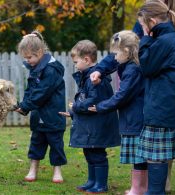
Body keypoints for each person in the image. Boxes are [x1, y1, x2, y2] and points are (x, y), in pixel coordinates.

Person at [134, 0, 175, 193]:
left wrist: (146, 39)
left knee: (156, 154)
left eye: (142, 25)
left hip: (164, 107)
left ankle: (156, 192)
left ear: (152, 21)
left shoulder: (162, 42)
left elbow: (146, 67)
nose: (142, 29)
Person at [88, 30, 147, 195]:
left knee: (139, 157)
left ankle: (138, 188)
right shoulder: (129, 65)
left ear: (127, 52)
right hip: (133, 116)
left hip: (136, 117)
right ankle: (140, 187)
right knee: (139, 156)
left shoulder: (133, 70)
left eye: (116, 53)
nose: (114, 57)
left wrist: (101, 106)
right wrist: (100, 71)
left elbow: (122, 96)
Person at [59, 40, 120, 193]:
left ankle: (101, 184)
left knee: (97, 154)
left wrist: (76, 107)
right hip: (90, 125)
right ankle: (92, 181)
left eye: (76, 62)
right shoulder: (87, 77)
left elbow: (93, 101)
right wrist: (73, 112)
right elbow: (85, 100)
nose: (75, 65)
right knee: (89, 152)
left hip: (98, 125)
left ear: (86, 59)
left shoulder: (94, 79)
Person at [15, 30, 67, 183]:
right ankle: (33, 169)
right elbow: (30, 90)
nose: (28, 60)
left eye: (30, 57)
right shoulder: (35, 69)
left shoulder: (51, 70)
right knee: (36, 142)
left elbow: (41, 93)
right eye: (26, 58)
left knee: (56, 143)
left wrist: (25, 107)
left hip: (53, 115)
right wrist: (24, 106)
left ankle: (57, 171)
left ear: (40, 52)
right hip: (38, 115)